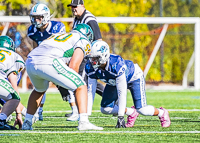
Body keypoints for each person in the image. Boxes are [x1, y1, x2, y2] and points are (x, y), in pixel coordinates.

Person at [22, 23, 103, 131]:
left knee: (39, 89)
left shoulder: (58, 35)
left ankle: (27, 122)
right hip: (49, 60)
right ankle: (84, 122)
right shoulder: (83, 40)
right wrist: (69, 83)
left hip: (31, 60)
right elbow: (74, 66)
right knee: (81, 85)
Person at [85, 40, 171, 128]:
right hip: (114, 81)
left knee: (142, 110)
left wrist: (121, 116)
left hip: (134, 77)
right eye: (91, 58)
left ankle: (162, 113)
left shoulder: (116, 64)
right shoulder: (90, 68)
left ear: (104, 56)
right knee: (105, 109)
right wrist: (85, 117)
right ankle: (131, 112)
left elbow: (122, 92)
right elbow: (90, 92)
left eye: (95, 58)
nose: (92, 61)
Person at [66, 0, 105, 121]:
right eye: (71, 7)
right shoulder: (77, 18)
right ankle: (113, 98)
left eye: (75, 6)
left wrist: (95, 57)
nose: (73, 9)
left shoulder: (89, 19)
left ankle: (79, 112)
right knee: (88, 82)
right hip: (80, 53)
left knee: (80, 81)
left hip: (87, 55)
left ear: (82, 6)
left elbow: (98, 39)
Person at [27, 3, 66, 121]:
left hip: (57, 58)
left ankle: (75, 110)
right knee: (40, 86)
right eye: (34, 17)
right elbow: (35, 48)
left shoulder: (57, 28)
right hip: (42, 60)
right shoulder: (32, 30)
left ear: (46, 16)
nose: (36, 20)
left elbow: (62, 45)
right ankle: (39, 111)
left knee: (65, 83)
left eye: (39, 17)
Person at [0, 36, 25, 130]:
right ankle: (1, 121)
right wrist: (18, 113)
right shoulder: (14, 56)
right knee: (14, 97)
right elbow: (13, 83)